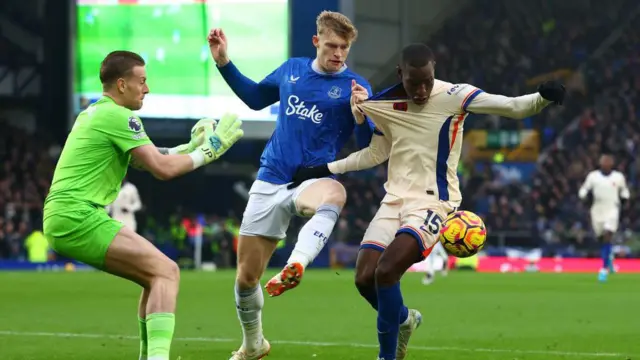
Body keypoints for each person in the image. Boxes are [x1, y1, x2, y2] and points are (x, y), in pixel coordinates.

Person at [288, 43, 566, 360]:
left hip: (434, 204)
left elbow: (514, 107)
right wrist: (324, 169)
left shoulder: (455, 96)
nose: (421, 90)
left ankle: (386, 356)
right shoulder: (384, 104)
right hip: (393, 201)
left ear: (434, 70)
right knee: (365, 278)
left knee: (387, 271)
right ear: (400, 74)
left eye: (427, 81)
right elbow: (375, 154)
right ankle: (405, 319)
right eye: (413, 82)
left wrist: (542, 98)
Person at [42, 50, 244, 360]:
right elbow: (162, 169)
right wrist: (210, 151)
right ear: (122, 85)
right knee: (167, 272)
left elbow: (150, 157)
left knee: (154, 277)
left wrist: (190, 147)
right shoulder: (120, 116)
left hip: (65, 214)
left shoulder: (95, 113)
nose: (147, 89)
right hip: (77, 215)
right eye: (143, 81)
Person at [208, 10, 374, 359]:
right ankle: (254, 345)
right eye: (332, 45)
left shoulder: (355, 87)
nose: (338, 54)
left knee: (336, 192)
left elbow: (366, 143)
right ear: (317, 41)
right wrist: (224, 63)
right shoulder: (292, 70)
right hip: (269, 180)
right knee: (245, 279)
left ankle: (297, 262)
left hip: (311, 180)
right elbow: (255, 98)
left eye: (344, 48)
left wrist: (361, 116)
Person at [578, 154, 630, 282]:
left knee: (608, 234)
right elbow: (583, 190)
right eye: (604, 161)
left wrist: (624, 201)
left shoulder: (618, 177)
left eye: (608, 161)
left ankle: (604, 269)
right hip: (597, 210)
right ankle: (610, 260)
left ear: (612, 163)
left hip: (612, 209)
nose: (606, 163)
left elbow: (624, 192)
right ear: (600, 163)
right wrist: (584, 197)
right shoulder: (593, 176)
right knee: (602, 239)